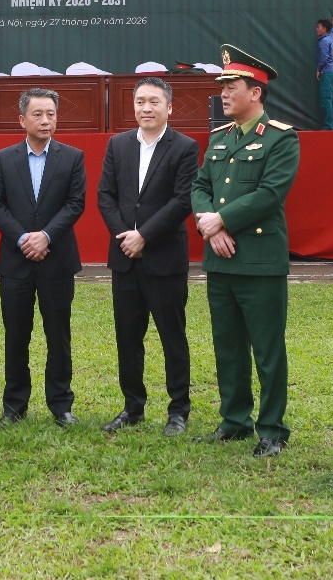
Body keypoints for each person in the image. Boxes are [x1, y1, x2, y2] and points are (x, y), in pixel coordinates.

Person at [192, 44, 300, 458]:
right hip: (220, 259)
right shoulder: (220, 138)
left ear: (255, 92)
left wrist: (222, 220)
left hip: (258, 259)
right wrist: (210, 224)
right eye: (222, 86)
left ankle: (272, 429)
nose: (223, 93)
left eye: (231, 86)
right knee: (228, 345)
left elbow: (271, 193)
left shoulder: (280, 138)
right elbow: (200, 186)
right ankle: (234, 420)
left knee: (267, 349)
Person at [96, 76, 199, 436]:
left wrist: (145, 236)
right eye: (140, 101)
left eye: (154, 101)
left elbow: (182, 200)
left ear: (169, 107)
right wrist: (126, 236)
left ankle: (178, 410)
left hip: (164, 258)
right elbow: (105, 195)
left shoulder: (184, 147)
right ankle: (132, 407)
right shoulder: (118, 144)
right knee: (127, 337)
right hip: (125, 257)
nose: (146, 108)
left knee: (173, 336)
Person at [0, 88, 87, 427]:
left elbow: (75, 203)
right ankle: (14, 406)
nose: (45, 120)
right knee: (16, 335)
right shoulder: (4, 158)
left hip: (57, 260)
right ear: (22, 120)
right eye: (38, 114)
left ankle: (61, 404)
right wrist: (22, 238)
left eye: (51, 114)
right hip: (15, 262)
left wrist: (45, 236)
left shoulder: (72, 157)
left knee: (58, 335)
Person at [315, 19, 333, 130]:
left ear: (324, 29)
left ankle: (329, 126)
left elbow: (324, 58)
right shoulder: (331, 38)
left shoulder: (323, 42)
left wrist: (319, 70)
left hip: (326, 73)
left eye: (318, 27)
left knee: (327, 100)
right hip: (332, 73)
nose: (316, 29)